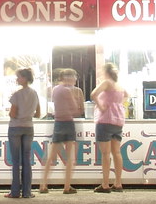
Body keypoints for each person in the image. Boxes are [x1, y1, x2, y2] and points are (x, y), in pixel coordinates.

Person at [39, 69, 84, 194]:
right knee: (70, 157)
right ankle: (67, 186)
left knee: (51, 156)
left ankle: (43, 185)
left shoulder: (55, 90)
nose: (75, 79)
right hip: (68, 124)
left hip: (58, 124)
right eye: (74, 77)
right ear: (68, 77)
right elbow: (76, 110)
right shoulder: (67, 91)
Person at [91, 62, 127, 193]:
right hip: (118, 120)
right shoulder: (119, 86)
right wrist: (118, 104)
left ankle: (105, 184)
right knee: (116, 152)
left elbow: (93, 94)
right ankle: (118, 183)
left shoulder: (106, 83)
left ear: (106, 72)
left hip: (105, 120)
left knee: (105, 154)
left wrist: (101, 106)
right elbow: (126, 95)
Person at [5, 68, 40, 199]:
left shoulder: (16, 95)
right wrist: (27, 115)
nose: (17, 79)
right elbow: (38, 113)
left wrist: (15, 114)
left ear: (24, 78)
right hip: (28, 127)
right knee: (27, 160)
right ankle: (27, 191)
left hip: (15, 128)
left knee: (16, 161)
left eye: (18, 77)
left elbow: (13, 113)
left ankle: (14, 192)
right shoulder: (35, 93)